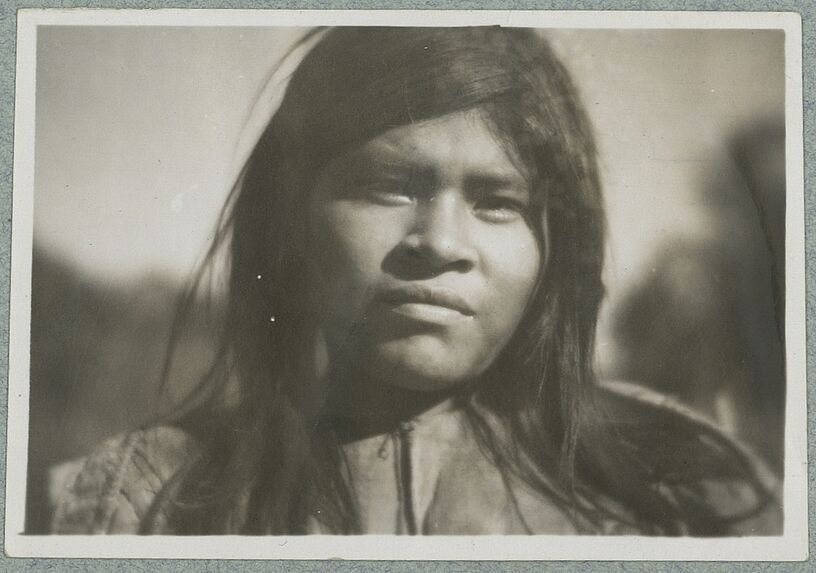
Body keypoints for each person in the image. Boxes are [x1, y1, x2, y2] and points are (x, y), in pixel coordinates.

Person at [49, 26, 781, 536]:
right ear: (292, 214)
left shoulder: (686, 488)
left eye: (498, 203)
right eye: (388, 187)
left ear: (555, 246)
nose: (439, 243)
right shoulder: (149, 497)